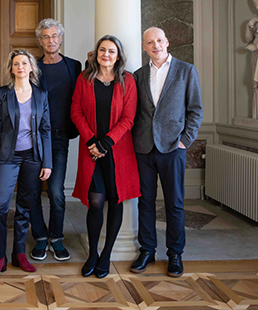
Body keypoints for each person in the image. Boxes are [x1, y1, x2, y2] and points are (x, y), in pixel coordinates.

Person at [130, 27, 203, 277]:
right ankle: (148, 250)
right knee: (145, 202)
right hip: (143, 148)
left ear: (167, 41)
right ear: (144, 47)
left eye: (159, 40)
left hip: (173, 148)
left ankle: (175, 254)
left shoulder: (186, 71)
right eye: (150, 42)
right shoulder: (138, 76)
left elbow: (195, 110)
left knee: (175, 203)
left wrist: (185, 141)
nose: (156, 45)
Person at [71, 35, 140, 278]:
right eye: (102, 50)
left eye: (111, 51)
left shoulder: (128, 80)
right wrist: (92, 141)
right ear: (96, 53)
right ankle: (92, 253)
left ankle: (107, 254)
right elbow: (76, 110)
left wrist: (106, 143)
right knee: (96, 202)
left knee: (116, 199)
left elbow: (129, 118)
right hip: (91, 152)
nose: (106, 54)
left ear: (118, 55)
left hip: (117, 151)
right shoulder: (85, 78)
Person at [0, 49, 52, 279]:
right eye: (16, 64)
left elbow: (45, 129)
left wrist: (48, 162)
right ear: (12, 69)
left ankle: (19, 254)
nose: (20, 67)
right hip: (7, 157)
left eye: (25, 63)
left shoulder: (41, 94)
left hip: (33, 157)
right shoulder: (2, 94)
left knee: (25, 206)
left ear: (31, 67)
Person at [30, 18, 82, 262]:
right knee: (30, 191)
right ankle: (40, 238)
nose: (50, 41)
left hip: (60, 137)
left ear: (60, 38)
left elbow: (83, 95)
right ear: (40, 41)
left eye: (54, 36)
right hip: (33, 137)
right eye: (45, 37)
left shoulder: (74, 66)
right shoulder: (32, 67)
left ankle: (57, 237)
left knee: (56, 191)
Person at [245, 0, 258, 119]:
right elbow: (248, 39)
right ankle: (255, 114)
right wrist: (249, 27)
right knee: (255, 85)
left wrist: (255, 45)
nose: (256, 5)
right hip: (255, 56)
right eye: (254, 4)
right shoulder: (255, 21)